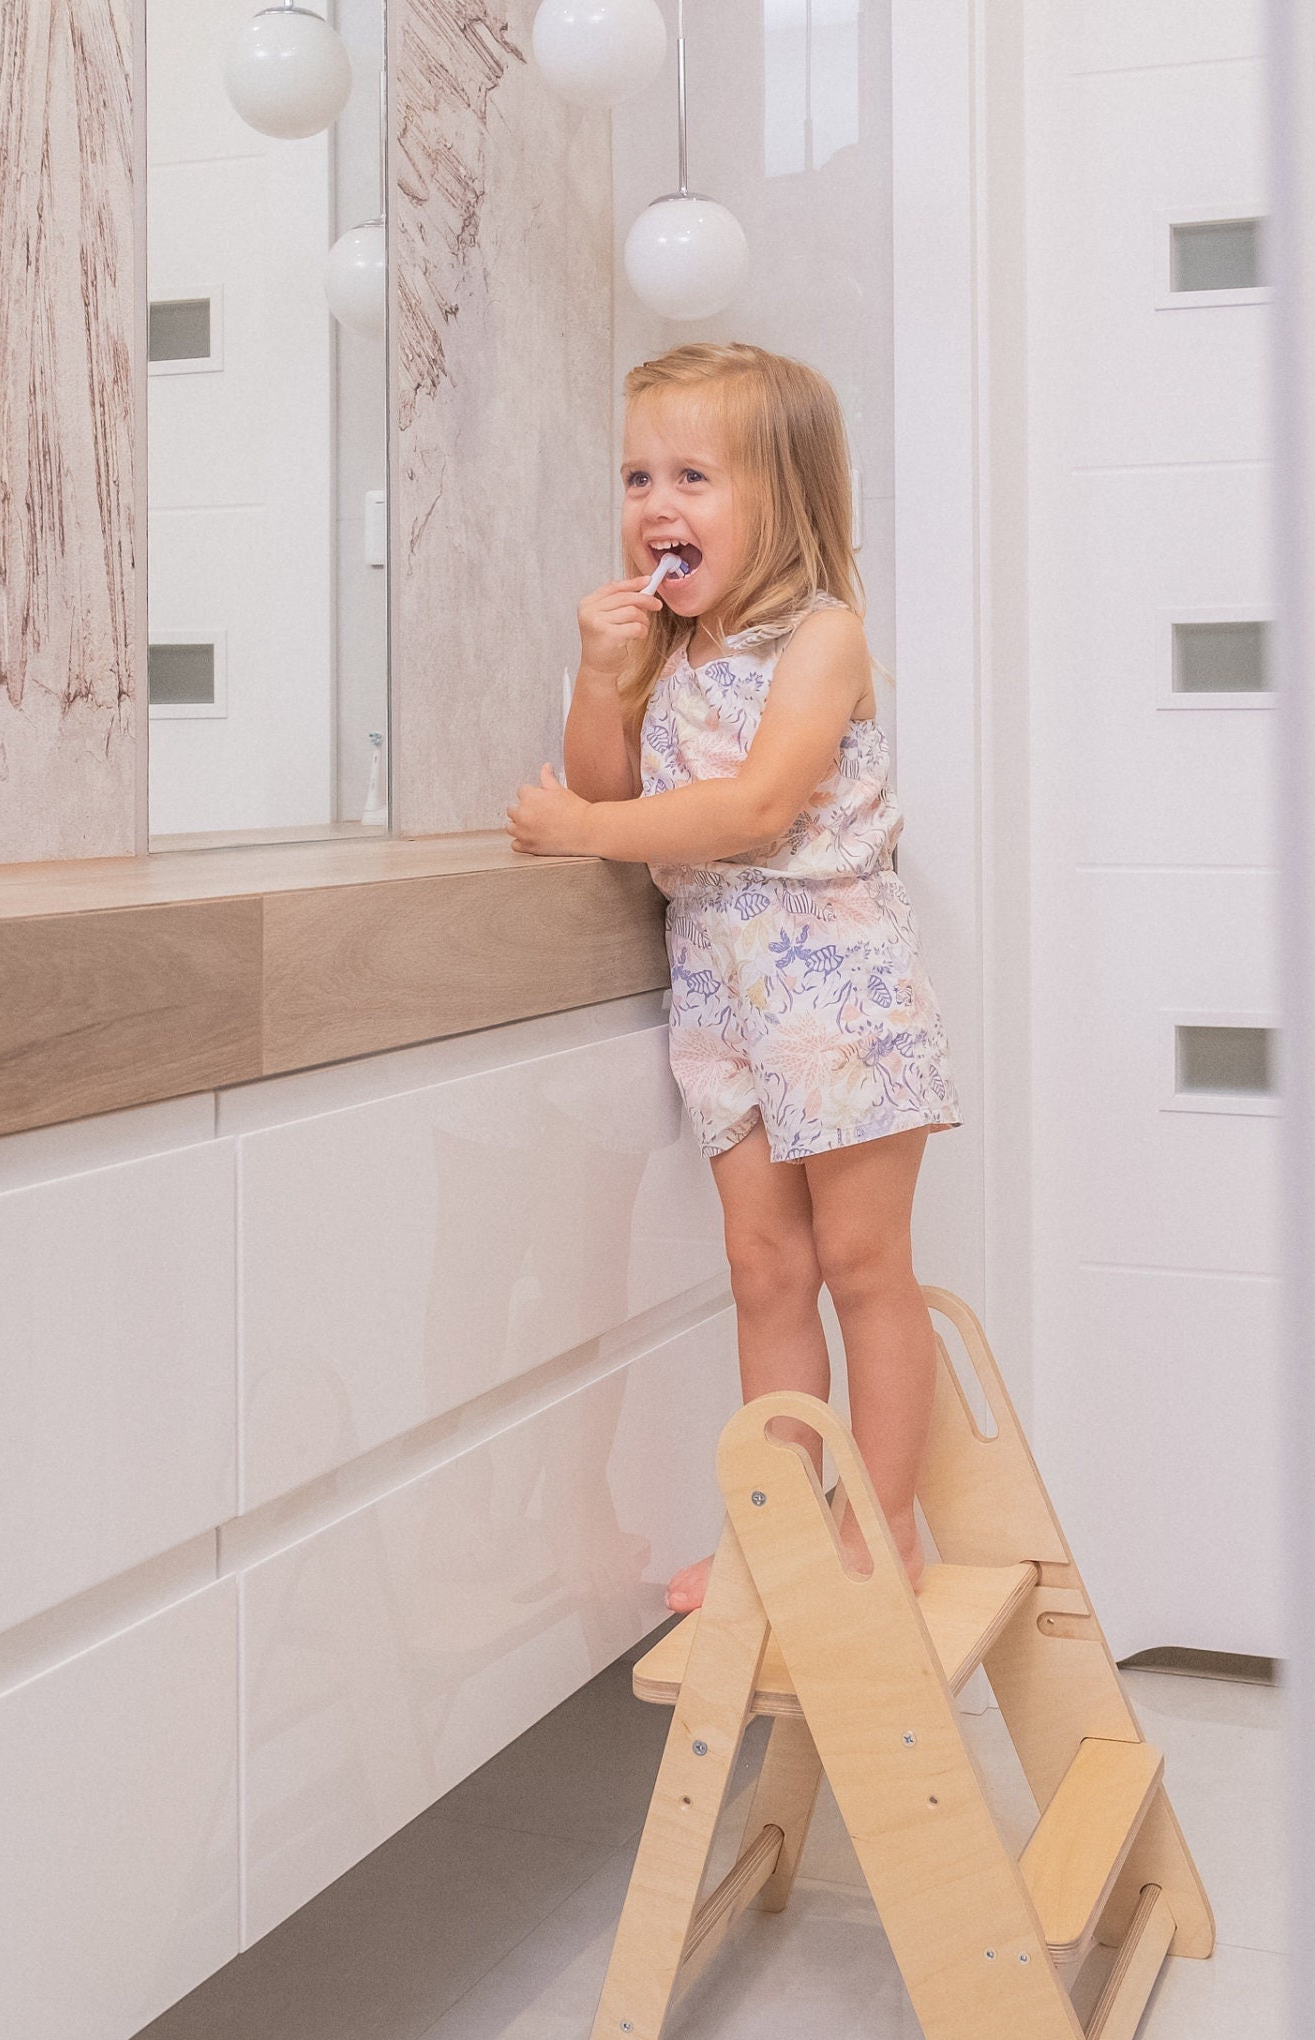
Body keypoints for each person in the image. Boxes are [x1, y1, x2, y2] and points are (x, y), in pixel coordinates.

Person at [506, 342, 959, 1612]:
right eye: (639, 474)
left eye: (695, 476)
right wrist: (602, 673)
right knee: (764, 1270)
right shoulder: (666, 651)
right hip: (721, 1000)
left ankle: (884, 1531)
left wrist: (587, 833)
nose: (657, 505)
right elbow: (604, 785)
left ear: (786, 496)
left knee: (865, 1263)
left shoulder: (823, 639)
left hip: (836, 994)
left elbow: (756, 807)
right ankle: (778, 1534)